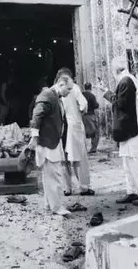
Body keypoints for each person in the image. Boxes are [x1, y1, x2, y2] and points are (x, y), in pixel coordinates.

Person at [102, 57, 138, 207]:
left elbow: (121, 104)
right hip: (129, 129)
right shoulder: (128, 80)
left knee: (134, 162)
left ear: (115, 70)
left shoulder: (126, 81)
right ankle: (132, 191)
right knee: (128, 162)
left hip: (130, 129)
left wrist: (107, 93)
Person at [28, 75, 73, 216]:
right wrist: (34, 136)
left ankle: (49, 204)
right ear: (61, 84)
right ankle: (57, 207)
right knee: (54, 175)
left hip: (52, 141)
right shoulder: (48, 95)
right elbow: (37, 115)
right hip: (47, 142)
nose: (70, 92)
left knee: (49, 175)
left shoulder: (54, 96)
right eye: (69, 88)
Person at [55, 68, 95, 196]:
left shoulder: (55, 89)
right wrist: (80, 112)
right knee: (78, 158)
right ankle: (83, 187)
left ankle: (68, 188)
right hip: (70, 126)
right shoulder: (74, 88)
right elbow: (84, 105)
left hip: (64, 127)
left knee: (65, 158)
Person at [82, 82, 100, 153]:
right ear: (91, 88)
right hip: (90, 116)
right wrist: (97, 117)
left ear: (84, 87)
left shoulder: (81, 95)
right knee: (96, 132)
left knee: (82, 133)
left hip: (82, 116)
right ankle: (93, 148)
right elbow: (96, 108)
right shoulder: (92, 96)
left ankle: (83, 149)